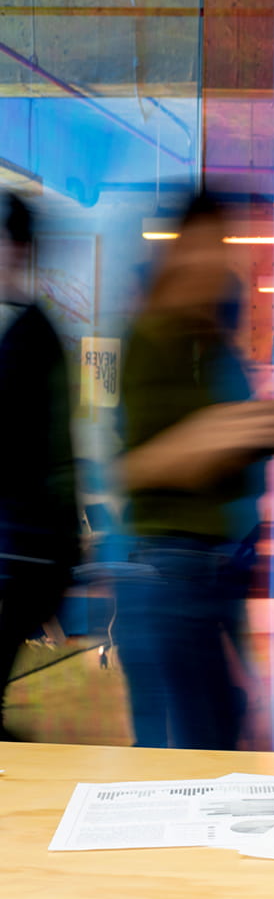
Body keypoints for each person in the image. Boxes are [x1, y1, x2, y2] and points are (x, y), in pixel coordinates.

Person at [114, 193, 274, 749]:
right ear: (178, 252)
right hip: (168, 573)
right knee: (180, 757)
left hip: (217, 568)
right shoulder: (152, 338)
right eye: (204, 246)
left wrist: (263, 429)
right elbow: (139, 465)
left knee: (215, 744)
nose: (216, 262)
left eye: (222, 246)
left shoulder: (211, 343)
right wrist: (228, 433)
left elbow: (224, 450)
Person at [0, 191, 80, 741]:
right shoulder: (30, 330)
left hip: (27, 538)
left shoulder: (34, 335)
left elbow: (49, 445)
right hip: (27, 537)